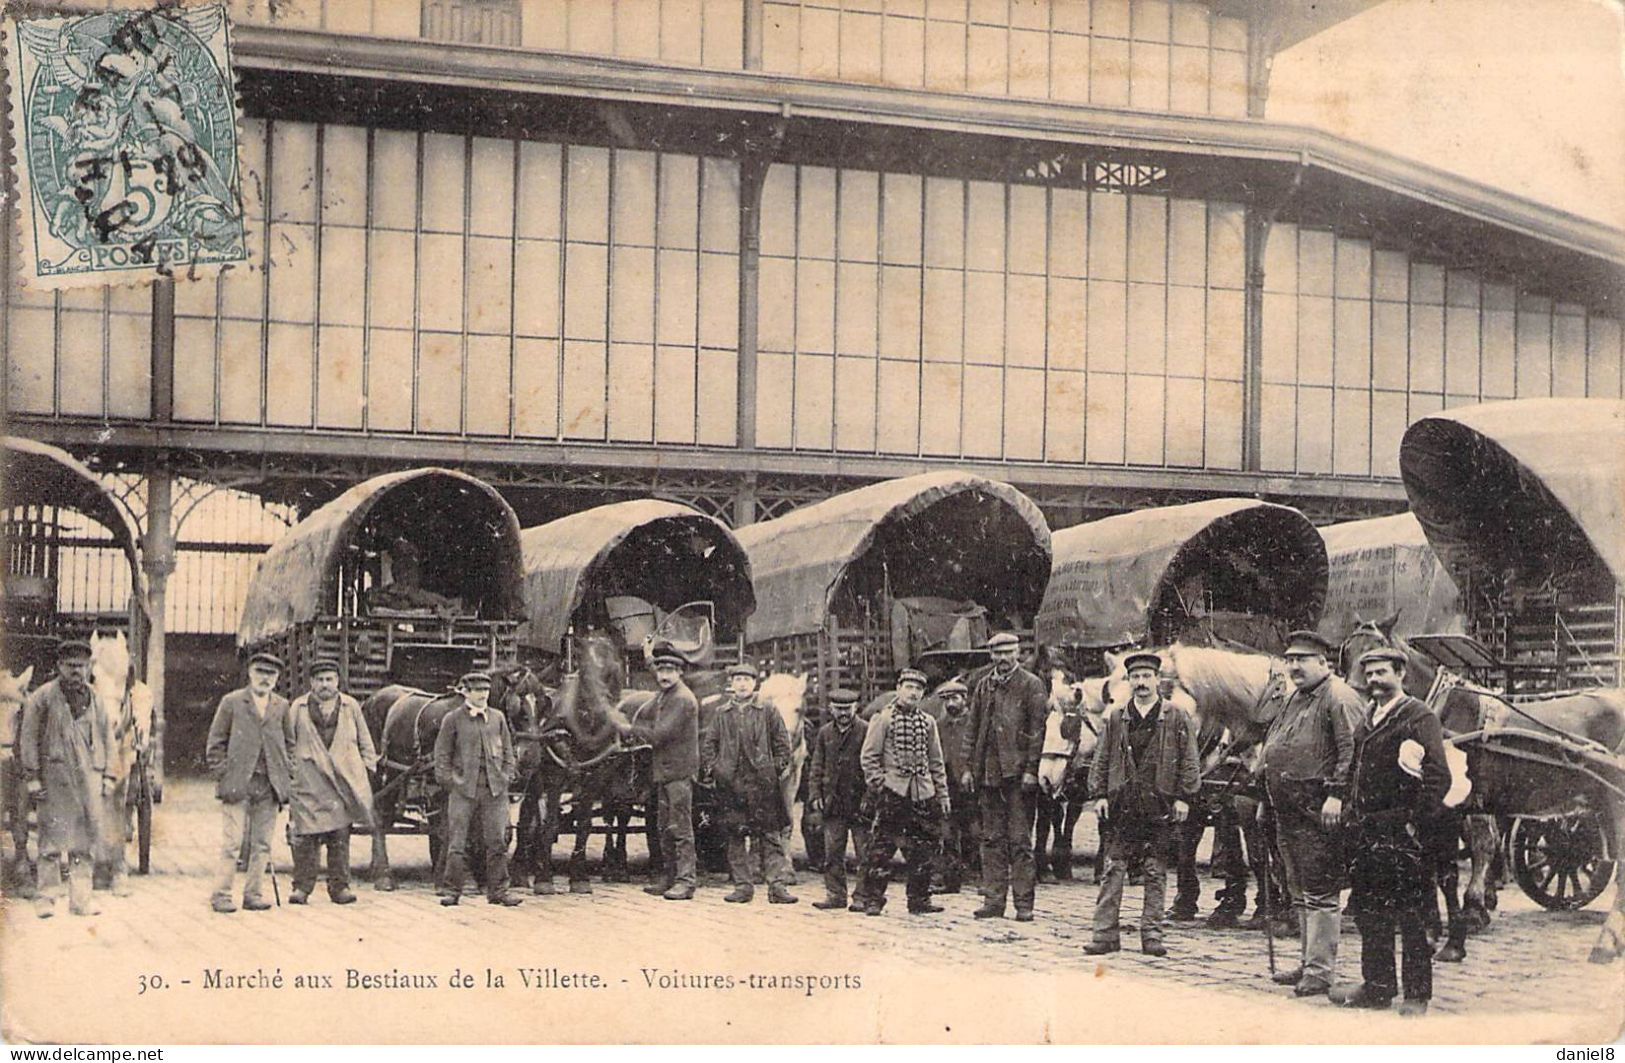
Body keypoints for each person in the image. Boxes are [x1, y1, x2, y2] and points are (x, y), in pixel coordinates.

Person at [1332, 647, 1451, 1016]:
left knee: (1411, 916)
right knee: (1371, 913)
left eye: (1381, 673)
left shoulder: (1418, 716)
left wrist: (1415, 822)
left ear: (1401, 674)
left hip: (1402, 835)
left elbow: (1438, 776)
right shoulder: (1368, 718)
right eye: (1368, 675)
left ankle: (1417, 995)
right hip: (1368, 832)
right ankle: (1378, 986)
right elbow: (1356, 769)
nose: (1373, 681)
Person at [1256, 630, 1366, 997]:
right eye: (1289, 659)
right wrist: (1265, 797)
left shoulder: (1339, 697)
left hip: (1319, 812)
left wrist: (1336, 796)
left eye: (1302, 659)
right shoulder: (1295, 699)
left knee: (1320, 891)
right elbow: (1276, 746)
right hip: (1287, 811)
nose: (1294, 666)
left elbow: (1353, 753)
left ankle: (1320, 971)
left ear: (1324, 662)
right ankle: (1308, 962)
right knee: (1299, 891)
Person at [1084, 652, 1200, 957]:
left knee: (1155, 871)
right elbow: (1102, 758)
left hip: (1159, 805)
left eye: (1147, 676)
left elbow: (1189, 760)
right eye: (1135, 677)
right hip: (1123, 805)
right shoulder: (1116, 717)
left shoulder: (1176, 716)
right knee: (1114, 870)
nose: (1141, 683)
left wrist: (1185, 797)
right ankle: (1105, 934)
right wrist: (1098, 795)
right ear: (1129, 681)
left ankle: (1152, 934)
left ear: (1158, 680)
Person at [18, 640, 113, 918]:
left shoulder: (96, 699)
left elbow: (108, 738)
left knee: (84, 845)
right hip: (54, 779)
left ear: (88, 667)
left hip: (88, 780)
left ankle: (81, 901)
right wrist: (32, 776)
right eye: (71, 666)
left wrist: (108, 776)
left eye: (82, 666)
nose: (77, 672)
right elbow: (28, 738)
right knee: (50, 842)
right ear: (60, 666)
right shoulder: (43, 698)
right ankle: (46, 898)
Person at [961, 632, 1048, 921]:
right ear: (991, 656)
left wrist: (1032, 771)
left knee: (1020, 841)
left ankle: (1024, 905)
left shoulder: (1031, 685)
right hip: (988, 775)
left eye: (1008, 653)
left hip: (1018, 776)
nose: (1002, 658)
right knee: (991, 839)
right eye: (997, 653)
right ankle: (993, 901)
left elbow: (1038, 732)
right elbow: (971, 729)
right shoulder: (983, 686)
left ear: (1018, 654)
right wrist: (967, 768)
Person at [205, 651, 294, 915]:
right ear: (250, 674)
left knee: (263, 844)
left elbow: (290, 744)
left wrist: (288, 772)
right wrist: (224, 773)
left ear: (277, 678)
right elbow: (215, 742)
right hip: (238, 783)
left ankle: (253, 894)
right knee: (232, 843)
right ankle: (221, 895)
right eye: (260, 672)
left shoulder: (282, 706)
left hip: (269, 785)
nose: (265, 679)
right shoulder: (232, 702)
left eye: (271, 674)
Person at [856, 669, 949, 916]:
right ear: (898, 689)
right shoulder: (883, 719)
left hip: (922, 794)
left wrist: (941, 795)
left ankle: (919, 900)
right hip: (893, 793)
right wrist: (881, 784)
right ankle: (874, 899)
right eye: (908, 687)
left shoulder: (928, 722)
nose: (913, 693)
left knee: (923, 850)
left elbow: (936, 761)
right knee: (881, 849)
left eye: (918, 689)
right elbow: (869, 757)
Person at [702, 661, 797, 904]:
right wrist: (717, 770)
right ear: (731, 685)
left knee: (770, 837)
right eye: (738, 680)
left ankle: (776, 886)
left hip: (763, 786)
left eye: (747, 680)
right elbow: (709, 744)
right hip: (731, 786)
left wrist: (773, 770)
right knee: (735, 837)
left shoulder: (768, 711)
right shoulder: (722, 714)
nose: (742, 684)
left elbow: (782, 743)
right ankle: (743, 886)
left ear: (754, 684)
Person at [284, 659, 377, 906]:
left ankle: (340, 887)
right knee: (306, 838)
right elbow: (288, 743)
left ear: (338, 682)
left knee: (339, 836)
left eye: (329, 679)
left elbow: (365, 741)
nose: (325, 685)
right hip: (309, 781)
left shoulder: (351, 706)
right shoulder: (298, 708)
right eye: (320, 680)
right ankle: (302, 888)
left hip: (342, 781)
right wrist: (292, 773)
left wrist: (367, 770)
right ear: (312, 683)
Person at [611, 644, 699, 900]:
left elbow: (659, 734)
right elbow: (654, 677)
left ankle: (685, 881)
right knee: (663, 827)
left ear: (680, 673)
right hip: (664, 773)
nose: (664, 675)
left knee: (680, 828)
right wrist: (648, 656)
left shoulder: (682, 699)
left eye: (670, 670)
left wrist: (627, 727)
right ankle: (669, 877)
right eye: (661, 670)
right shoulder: (666, 693)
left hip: (678, 773)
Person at [433, 671, 522, 907]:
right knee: (457, 841)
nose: (483, 695)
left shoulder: (498, 718)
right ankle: (452, 890)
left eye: (485, 690)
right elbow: (441, 755)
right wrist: (451, 782)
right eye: (477, 691)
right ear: (466, 692)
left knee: (497, 841)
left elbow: (508, 751)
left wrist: (506, 776)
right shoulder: (453, 719)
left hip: (494, 790)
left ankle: (499, 891)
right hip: (463, 791)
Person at [806, 688, 869, 911]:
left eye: (847, 709)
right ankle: (835, 894)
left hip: (860, 802)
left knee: (864, 853)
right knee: (833, 852)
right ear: (831, 709)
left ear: (856, 708)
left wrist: (870, 796)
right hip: (833, 803)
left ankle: (862, 896)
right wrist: (815, 795)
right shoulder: (824, 733)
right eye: (839, 709)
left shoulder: (866, 730)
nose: (843, 713)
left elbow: (873, 765)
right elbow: (816, 766)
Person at [930, 678, 977, 893]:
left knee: (976, 832)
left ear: (964, 700)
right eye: (947, 699)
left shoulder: (973, 724)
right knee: (947, 833)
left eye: (955, 699)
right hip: (947, 786)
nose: (950, 704)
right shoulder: (939, 726)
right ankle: (951, 880)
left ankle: (981, 878)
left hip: (970, 786)